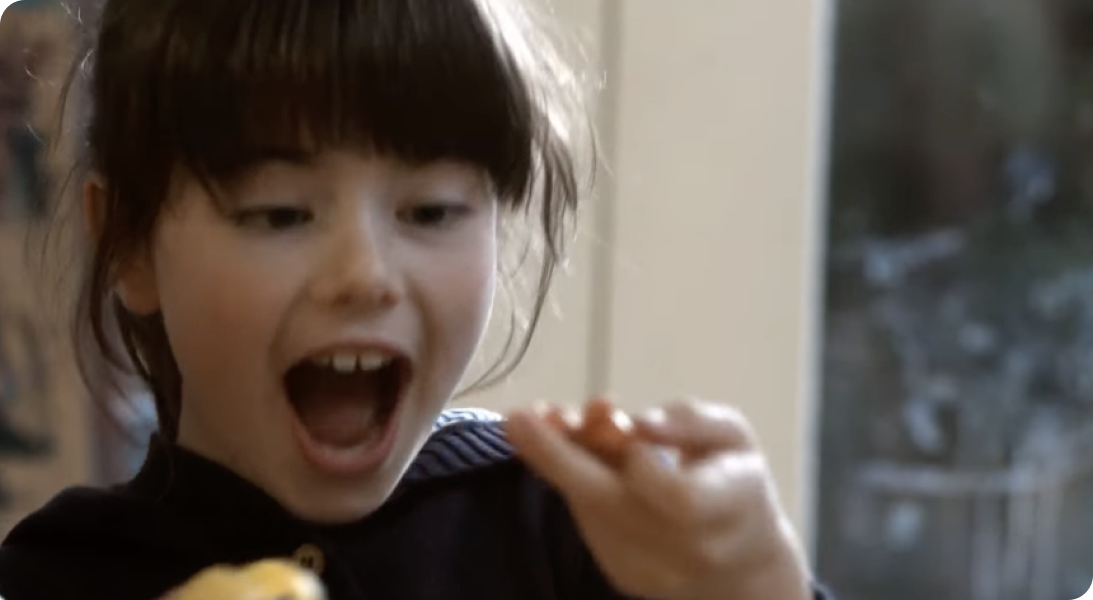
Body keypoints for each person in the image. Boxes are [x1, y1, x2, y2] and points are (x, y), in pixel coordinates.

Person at [0, 1, 830, 599]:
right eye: (280, 214)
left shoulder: (582, 540)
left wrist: (760, 585)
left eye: (430, 212)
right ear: (130, 242)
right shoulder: (62, 572)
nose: (366, 275)